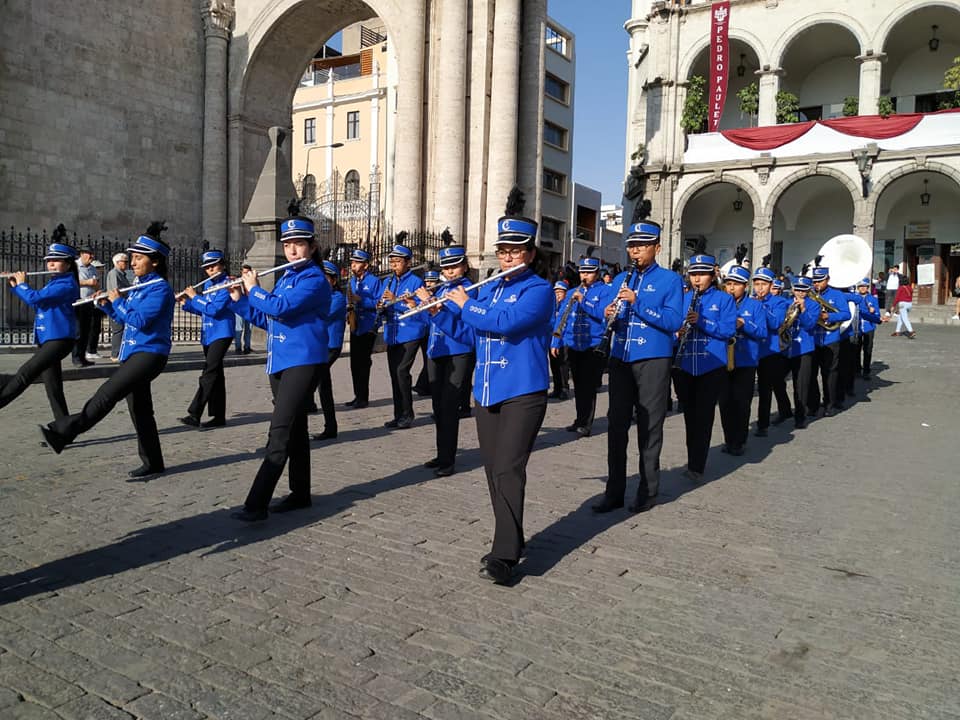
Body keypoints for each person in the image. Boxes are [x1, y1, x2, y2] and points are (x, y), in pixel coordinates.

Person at [444, 187, 554, 584]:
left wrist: (465, 304)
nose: (507, 255)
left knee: (509, 468)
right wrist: (435, 309)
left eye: (516, 249)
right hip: (486, 389)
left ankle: (504, 554)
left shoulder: (539, 291)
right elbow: (464, 330)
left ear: (529, 253)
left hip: (523, 391)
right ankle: (513, 538)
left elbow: (504, 323)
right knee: (494, 471)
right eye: (503, 249)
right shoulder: (488, 288)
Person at [40, 222, 176, 479]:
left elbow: (140, 321)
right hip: (134, 353)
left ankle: (65, 431)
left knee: (106, 394)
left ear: (155, 261)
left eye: (138, 258)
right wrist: (107, 306)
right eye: (132, 258)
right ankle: (153, 461)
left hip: (150, 354)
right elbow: (125, 318)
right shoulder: (140, 285)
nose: (133, 262)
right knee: (141, 410)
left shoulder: (159, 288)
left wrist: (118, 301)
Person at [228, 216, 331, 522]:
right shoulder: (287, 278)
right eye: (288, 245)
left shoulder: (313, 280)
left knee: (280, 431)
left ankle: (256, 503)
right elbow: (269, 321)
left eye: (299, 244)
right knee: (296, 431)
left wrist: (255, 290)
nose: (293, 251)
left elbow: (279, 307)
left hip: (303, 362)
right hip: (281, 362)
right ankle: (301, 494)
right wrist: (240, 301)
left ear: (312, 247)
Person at [593, 219, 683, 514]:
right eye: (632, 246)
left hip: (653, 359)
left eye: (642, 246)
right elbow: (611, 314)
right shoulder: (621, 279)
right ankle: (614, 491)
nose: (635, 252)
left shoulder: (670, 280)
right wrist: (608, 313)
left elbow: (672, 321)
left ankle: (648, 490)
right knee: (616, 424)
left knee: (649, 425)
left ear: (656, 248)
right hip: (621, 357)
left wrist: (639, 301)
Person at [1, 232, 79, 420]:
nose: (51, 263)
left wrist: (22, 284)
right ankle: (64, 428)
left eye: (56, 260)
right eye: (49, 260)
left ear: (68, 264)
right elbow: (37, 303)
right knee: (53, 386)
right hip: (48, 338)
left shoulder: (67, 284)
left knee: (25, 374)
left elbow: (35, 298)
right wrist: (15, 285)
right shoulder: (54, 283)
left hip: (59, 339)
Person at [672, 254, 736, 481]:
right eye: (693, 275)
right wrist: (676, 331)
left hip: (711, 366)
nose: (696, 279)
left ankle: (697, 466)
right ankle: (692, 459)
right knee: (690, 416)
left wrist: (702, 321)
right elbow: (671, 325)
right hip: (684, 365)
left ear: (712, 275)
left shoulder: (723, 299)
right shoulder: (682, 297)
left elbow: (728, 331)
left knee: (704, 416)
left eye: (701, 275)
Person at [413, 244, 476, 477]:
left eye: (455, 266)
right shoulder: (441, 289)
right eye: (446, 268)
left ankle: (448, 460)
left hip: (457, 351)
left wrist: (432, 304)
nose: (449, 272)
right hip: (437, 351)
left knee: (450, 407)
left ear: (464, 266)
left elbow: (458, 321)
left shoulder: (469, 289)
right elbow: (432, 320)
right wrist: (417, 306)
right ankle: (442, 454)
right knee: (437, 406)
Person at [550, 255, 610, 437]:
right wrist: (556, 340)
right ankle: (579, 419)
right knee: (578, 383)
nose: (585, 275)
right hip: (573, 343)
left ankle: (586, 422)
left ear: (597, 274)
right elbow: (562, 318)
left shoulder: (604, 292)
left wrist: (584, 300)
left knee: (588, 385)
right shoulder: (571, 292)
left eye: (589, 272)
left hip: (593, 345)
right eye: (583, 272)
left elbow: (603, 314)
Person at [178, 250, 235, 429]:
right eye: (207, 267)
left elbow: (215, 309)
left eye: (214, 266)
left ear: (222, 265)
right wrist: (186, 304)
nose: (210, 270)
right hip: (208, 334)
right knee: (216, 375)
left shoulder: (228, 284)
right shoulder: (209, 284)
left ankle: (194, 413)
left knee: (209, 372)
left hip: (222, 333)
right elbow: (204, 309)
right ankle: (218, 417)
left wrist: (195, 297)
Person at [718, 264, 767, 456]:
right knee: (725, 402)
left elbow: (762, 332)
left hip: (745, 361)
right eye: (729, 283)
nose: (731, 288)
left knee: (741, 402)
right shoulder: (722, 302)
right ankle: (728, 439)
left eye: (736, 284)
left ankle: (739, 441)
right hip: (723, 360)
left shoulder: (755, 305)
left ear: (745, 286)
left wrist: (744, 324)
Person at [378, 240, 427, 428]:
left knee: (401, 372)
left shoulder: (416, 282)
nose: (394, 266)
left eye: (398, 262)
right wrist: (380, 307)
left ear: (407, 263)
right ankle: (398, 414)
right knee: (393, 374)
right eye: (392, 262)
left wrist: (395, 300)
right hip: (393, 333)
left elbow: (418, 308)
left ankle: (408, 414)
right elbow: (384, 306)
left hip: (411, 331)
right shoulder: (387, 281)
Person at [751, 263, 793, 436]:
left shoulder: (779, 302)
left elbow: (776, 323)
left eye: (763, 284)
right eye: (757, 284)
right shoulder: (750, 300)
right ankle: (785, 410)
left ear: (770, 286)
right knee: (777, 383)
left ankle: (763, 425)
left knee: (765, 388)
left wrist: (760, 306)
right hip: (753, 350)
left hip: (771, 351)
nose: (759, 288)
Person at [809, 264, 851, 416]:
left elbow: (846, 314)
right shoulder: (810, 294)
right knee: (811, 374)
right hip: (813, 339)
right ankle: (812, 405)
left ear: (827, 279)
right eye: (815, 281)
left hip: (830, 339)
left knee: (830, 374)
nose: (817, 284)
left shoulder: (837, 295)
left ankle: (830, 404)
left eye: (820, 281)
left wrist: (829, 316)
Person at [311, 260, 346, 441]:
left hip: (331, 346)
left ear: (333, 281)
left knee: (318, 380)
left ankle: (329, 426)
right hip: (321, 345)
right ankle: (330, 426)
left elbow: (322, 315)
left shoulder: (338, 298)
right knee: (323, 385)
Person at [344, 248, 380, 409]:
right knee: (354, 363)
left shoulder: (373, 281)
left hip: (368, 326)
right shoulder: (352, 281)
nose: (353, 265)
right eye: (352, 262)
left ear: (365, 265)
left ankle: (363, 397)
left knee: (363, 363)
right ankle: (357, 395)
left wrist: (361, 300)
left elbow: (380, 304)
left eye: (357, 262)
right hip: (355, 325)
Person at [784, 275, 820, 429]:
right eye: (797, 289)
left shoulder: (813, 305)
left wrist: (803, 309)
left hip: (804, 348)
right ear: (792, 289)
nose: (800, 293)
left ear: (808, 291)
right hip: (786, 348)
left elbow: (810, 324)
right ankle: (785, 409)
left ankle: (800, 416)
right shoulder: (785, 302)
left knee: (801, 385)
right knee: (778, 380)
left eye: (803, 290)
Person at [71, 246, 100, 367]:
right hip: (78, 302)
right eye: (89, 254)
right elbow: (71, 281)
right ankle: (76, 357)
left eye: (92, 254)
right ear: (82, 254)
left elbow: (96, 284)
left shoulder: (93, 268)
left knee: (86, 331)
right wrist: (87, 282)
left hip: (89, 302)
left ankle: (82, 357)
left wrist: (97, 291)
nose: (92, 257)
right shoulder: (74, 266)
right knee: (79, 331)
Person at [105, 252, 132, 361]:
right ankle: (115, 354)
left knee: (122, 329)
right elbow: (117, 290)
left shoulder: (122, 274)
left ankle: (120, 352)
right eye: (124, 262)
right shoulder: (114, 273)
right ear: (117, 262)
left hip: (122, 303)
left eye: (127, 261)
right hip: (116, 304)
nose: (127, 263)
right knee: (118, 329)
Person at [854, 278, 882, 379]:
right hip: (856, 327)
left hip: (869, 327)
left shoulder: (873, 299)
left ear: (867, 287)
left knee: (868, 349)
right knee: (856, 349)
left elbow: (878, 314)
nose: (862, 288)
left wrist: (873, 312)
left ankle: (866, 371)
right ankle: (856, 369)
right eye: (860, 286)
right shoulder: (854, 298)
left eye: (864, 286)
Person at [547, 280, 571, 400]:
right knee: (554, 364)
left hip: (564, 340)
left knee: (563, 364)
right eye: (556, 292)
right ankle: (556, 388)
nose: (558, 295)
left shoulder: (568, 305)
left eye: (560, 292)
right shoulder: (552, 305)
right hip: (552, 340)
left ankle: (564, 388)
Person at [234, 264, 253, 354]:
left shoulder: (253, 281)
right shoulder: (238, 281)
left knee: (248, 329)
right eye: (244, 272)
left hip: (250, 307)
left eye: (248, 272)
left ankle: (247, 347)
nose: (246, 274)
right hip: (240, 308)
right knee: (239, 328)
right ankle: (238, 347)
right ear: (241, 272)